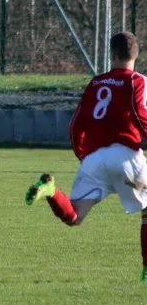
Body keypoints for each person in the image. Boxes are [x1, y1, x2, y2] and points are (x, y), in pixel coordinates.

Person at [24, 31, 147, 281]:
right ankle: (146, 267)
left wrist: (83, 154)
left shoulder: (96, 83)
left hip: (94, 159)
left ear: (111, 55)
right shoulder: (138, 80)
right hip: (126, 156)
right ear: (136, 55)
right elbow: (138, 112)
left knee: (75, 217)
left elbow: (75, 125)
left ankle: (50, 191)